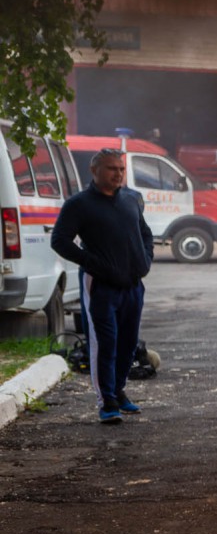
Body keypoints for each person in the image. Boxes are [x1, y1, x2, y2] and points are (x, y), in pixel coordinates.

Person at [51, 148, 154, 424]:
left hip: (133, 285)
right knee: (103, 343)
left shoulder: (131, 199)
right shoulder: (79, 205)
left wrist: (145, 261)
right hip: (100, 286)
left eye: (120, 169)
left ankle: (119, 391)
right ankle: (106, 401)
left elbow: (145, 233)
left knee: (128, 343)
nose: (118, 174)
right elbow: (59, 241)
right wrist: (92, 263)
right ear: (94, 171)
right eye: (111, 169)